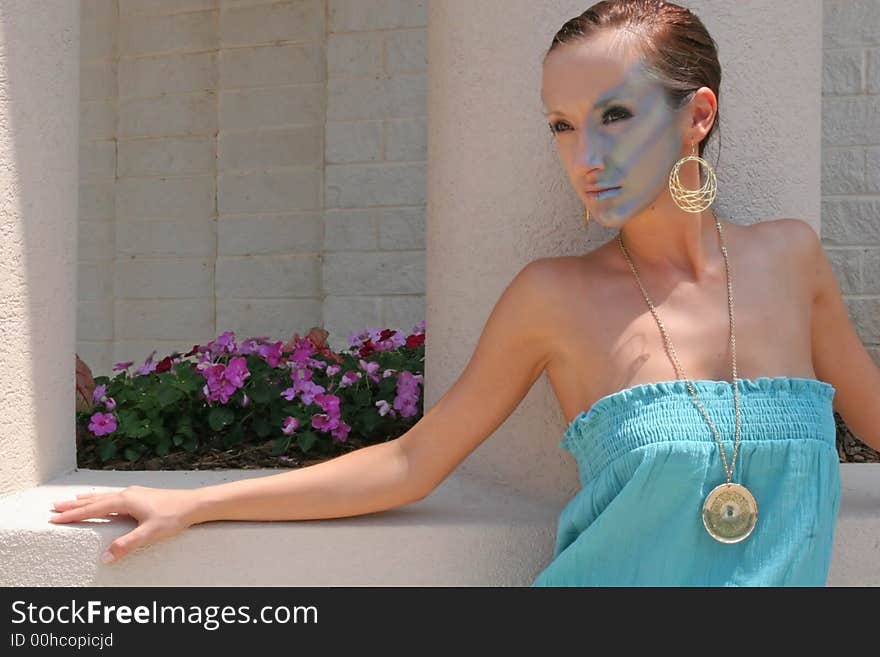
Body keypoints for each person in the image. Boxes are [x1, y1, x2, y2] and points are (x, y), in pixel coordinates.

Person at [50, 0, 879, 585]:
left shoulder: (790, 260)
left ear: (698, 114)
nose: (583, 153)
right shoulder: (554, 297)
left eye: (615, 115)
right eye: (561, 124)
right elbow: (414, 461)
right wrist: (197, 504)